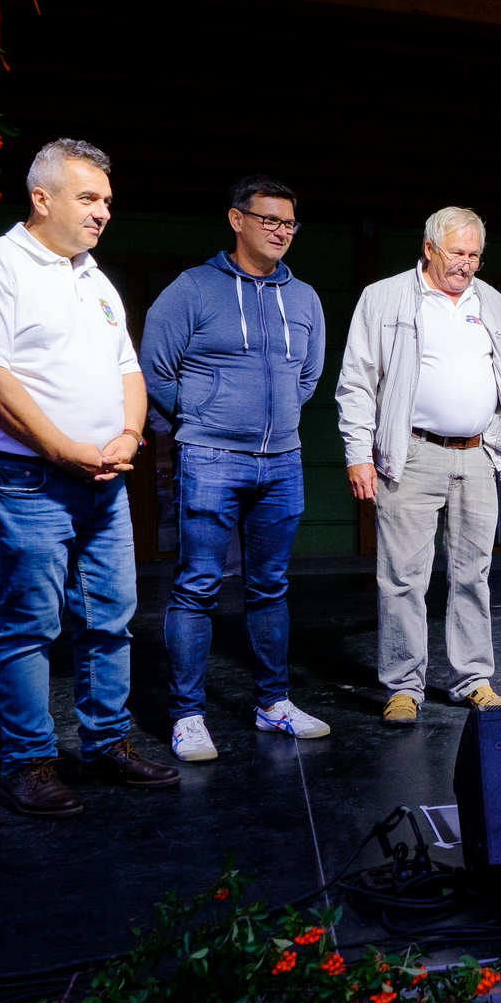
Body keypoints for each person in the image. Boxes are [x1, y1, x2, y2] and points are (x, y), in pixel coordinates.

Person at [0, 138, 180, 817]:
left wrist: (128, 435)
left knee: (111, 617)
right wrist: (62, 448)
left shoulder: (94, 277)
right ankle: (28, 762)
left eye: (108, 202)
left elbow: (129, 369)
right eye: (88, 198)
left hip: (105, 479)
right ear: (42, 198)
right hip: (29, 478)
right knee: (29, 624)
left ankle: (105, 745)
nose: (102, 213)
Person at [141, 175, 329, 762]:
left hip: (283, 461)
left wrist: (277, 417)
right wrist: (202, 418)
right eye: (269, 219)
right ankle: (187, 716)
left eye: (289, 223)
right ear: (236, 220)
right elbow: (155, 370)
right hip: (210, 458)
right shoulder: (193, 289)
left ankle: (273, 704)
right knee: (197, 586)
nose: (281, 231)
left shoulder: (305, 298)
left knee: (270, 585)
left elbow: (309, 375)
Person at [335, 206, 501, 726]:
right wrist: (359, 453)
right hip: (412, 453)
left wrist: (496, 431)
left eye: (474, 255)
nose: (466, 264)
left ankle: (473, 679)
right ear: (429, 249)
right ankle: (403, 687)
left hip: (477, 455)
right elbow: (357, 381)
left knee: (473, 575)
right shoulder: (385, 297)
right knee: (402, 577)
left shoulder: (494, 303)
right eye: (457, 253)